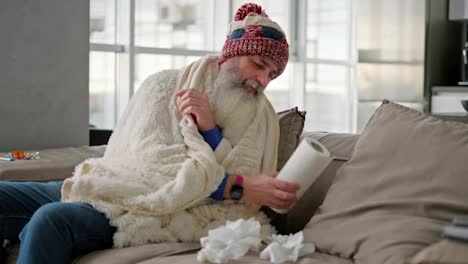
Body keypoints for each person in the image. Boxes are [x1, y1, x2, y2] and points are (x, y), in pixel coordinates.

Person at [0, 3, 299, 264]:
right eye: (259, 65)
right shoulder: (163, 86)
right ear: (232, 53)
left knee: (50, 221)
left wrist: (208, 130)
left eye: (272, 74)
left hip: (157, 211)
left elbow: (233, 198)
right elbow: (147, 163)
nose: (263, 80)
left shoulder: (260, 118)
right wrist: (237, 183)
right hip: (113, 183)